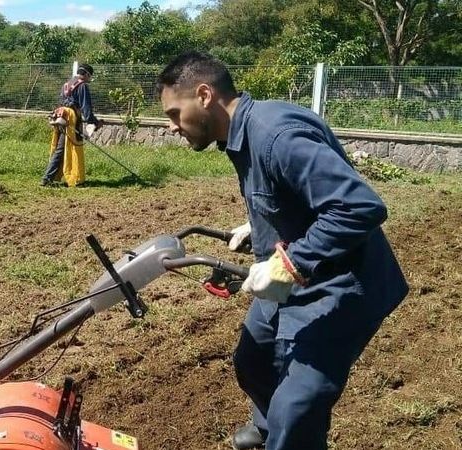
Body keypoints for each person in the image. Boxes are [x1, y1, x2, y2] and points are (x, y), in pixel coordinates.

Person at [156, 51, 408, 450]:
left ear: (204, 94)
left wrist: (291, 261)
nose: (171, 126)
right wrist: (257, 226)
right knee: (252, 360)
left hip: (341, 284)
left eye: (173, 113)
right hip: (295, 275)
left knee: (297, 407)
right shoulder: (242, 134)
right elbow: (291, 194)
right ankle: (268, 428)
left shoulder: (277, 135)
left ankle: (288, 436)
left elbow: (360, 207)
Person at [41, 63, 102, 187]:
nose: (89, 80)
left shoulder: (66, 84)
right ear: (85, 74)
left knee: (62, 147)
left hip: (62, 117)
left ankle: (49, 177)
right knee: (71, 147)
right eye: (89, 76)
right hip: (72, 119)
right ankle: (71, 178)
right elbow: (86, 109)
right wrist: (94, 122)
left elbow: (61, 102)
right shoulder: (82, 86)